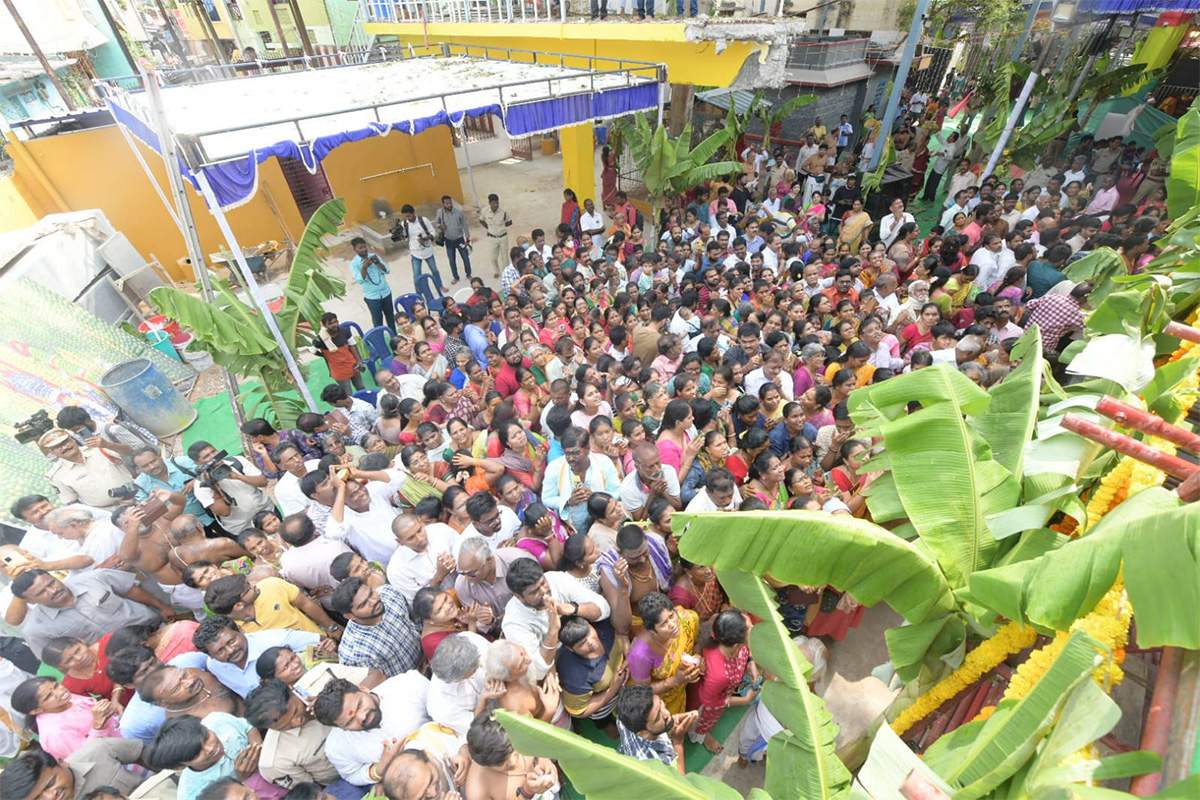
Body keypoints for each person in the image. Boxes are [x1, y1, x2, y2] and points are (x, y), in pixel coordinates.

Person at [10, 568, 169, 660]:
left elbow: (130, 590)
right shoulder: (36, 630)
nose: (53, 590)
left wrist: (161, 606)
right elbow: (59, 661)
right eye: (41, 592)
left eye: (51, 583)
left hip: (157, 632)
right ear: (30, 601)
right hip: (123, 660)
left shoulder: (94, 578)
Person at [313, 673, 432, 787]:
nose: (362, 717)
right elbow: (352, 774)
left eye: (359, 705)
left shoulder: (409, 684)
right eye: (350, 722)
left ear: (363, 689)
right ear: (341, 728)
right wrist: (380, 769)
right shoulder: (336, 747)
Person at [501, 557, 610, 680]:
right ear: (519, 596)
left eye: (543, 583)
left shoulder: (557, 580)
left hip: (580, 637)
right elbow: (537, 670)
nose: (544, 591)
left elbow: (604, 608)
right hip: (554, 660)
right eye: (534, 592)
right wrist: (553, 630)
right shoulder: (514, 622)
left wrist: (574, 608)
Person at [192, 615, 331, 698]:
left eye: (232, 641)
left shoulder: (276, 640)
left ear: (240, 630)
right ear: (210, 655)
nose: (230, 650)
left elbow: (323, 642)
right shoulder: (214, 666)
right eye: (220, 650)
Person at [244, 679, 342, 790]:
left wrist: (334, 702)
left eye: (295, 711)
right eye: (285, 726)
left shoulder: (319, 684)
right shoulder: (274, 762)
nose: (297, 722)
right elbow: (313, 790)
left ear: (292, 690)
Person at [688, 609, 759, 753]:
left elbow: (747, 645)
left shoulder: (731, 627)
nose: (753, 629)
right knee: (704, 721)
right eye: (750, 629)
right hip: (710, 701)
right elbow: (710, 701)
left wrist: (750, 662)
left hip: (726, 686)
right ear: (735, 645)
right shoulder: (719, 675)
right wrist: (744, 700)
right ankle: (702, 735)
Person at [10, 676, 122, 760]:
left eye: (56, 686)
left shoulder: (65, 699)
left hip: (120, 734)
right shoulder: (55, 733)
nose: (59, 692)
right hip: (114, 758)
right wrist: (97, 726)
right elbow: (88, 756)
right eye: (49, 696)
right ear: (36, 710)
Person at [329, 577, 421, 679]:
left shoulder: (389, 594)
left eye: (371, 593)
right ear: (350, 616)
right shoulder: (354, 654)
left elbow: (415, 619)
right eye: (363, 604)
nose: (373, 602)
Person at [626, 592, 700, 715]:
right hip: (660, 704)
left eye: (671, 616)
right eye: (663, 624)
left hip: (680, 691)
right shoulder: (640, 654)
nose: (672, 625)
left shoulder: (688, 618)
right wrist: (675, 680)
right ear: (652, 630)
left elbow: (698, 641)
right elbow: (642, 691)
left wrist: (697, 656)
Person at [0, 741, 146, 799]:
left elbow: (145, 755)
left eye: (50, 783)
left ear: (62, 763)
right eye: (38, 798)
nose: (51, 796)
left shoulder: (98, 751)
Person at [464, 714, 560, 800]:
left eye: (513, 751)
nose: (513, 762)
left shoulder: (518, 726)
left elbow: (538, 739)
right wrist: (526, 793)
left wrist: (544, 760)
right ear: (486, 765)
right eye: (501, 763)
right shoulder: (477, 791)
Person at [38, 428, 134, 508]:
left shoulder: (98, 448)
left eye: (65, 442)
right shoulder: (57, 476)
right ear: (51, 452)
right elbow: (73, 503)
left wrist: (108, 445)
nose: (64, 448)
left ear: (72, 439)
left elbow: (129, 452)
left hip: (138, 494)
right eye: (57, 447)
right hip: (112, 511)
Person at [615, 684, 697, 775]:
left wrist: (673, 719)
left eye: (661, 704)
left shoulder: (623, 718)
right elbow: (681, 782)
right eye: (658, 718)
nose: (667, 713)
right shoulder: (659, 763)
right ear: (643, 734)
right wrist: (678, 741)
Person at [349, 236, 395, 330]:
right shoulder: (354, 264)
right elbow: (360, 280)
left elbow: (387, 270)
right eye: (360, 248)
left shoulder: (374, 256)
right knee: (378, 322)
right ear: (355, 250)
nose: (363, 250)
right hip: (372, 297)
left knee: (391, 318)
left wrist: (378, 263)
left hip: (385, 292)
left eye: (364, 247)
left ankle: (395, 339)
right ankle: (380, 342)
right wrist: (364, 267)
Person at [400, 203, 444, 292]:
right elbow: (405, 237)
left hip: (427, 250)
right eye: (406, 217)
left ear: (413, 213)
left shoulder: (424, 220)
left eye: (409, 216)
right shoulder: (404, 224)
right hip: (415, 252)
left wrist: (425, 239)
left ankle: (440, 286)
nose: (408, 218)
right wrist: (401, 237)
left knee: (434, 270)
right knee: (417, 275)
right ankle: (418, 293)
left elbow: (433, 232)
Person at [435, 195, 473, 285]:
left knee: (465, 258)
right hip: (448, 241)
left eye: (450, 203)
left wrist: (467, 238)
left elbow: (464, 225)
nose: (449, 205)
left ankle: (468, 274)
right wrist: (440, 226)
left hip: (460, 239)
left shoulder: (458, 212)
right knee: (452, 260)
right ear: (443, 204)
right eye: (447, 203)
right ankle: (456, 277)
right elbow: (436, 223)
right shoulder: (440, 212)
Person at [478, 194, 513, 278]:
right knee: (493, 257)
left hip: (503, 237)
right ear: (489, 203)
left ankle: (505, 273)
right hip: (492, 237)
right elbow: (481, 220)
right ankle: (496, 271)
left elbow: (510, 221)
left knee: (505, 257)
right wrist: (489, 228)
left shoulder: (503, 211)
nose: (495, 205)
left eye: (497, 203)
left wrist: (502, 227)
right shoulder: (485, 211)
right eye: (493, 203)